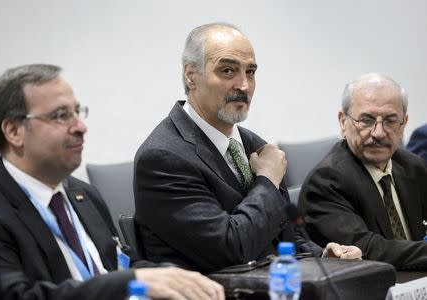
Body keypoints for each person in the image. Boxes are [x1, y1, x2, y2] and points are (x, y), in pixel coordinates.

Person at [0, 64, 224, 300]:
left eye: (77, 112)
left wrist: (177, 277)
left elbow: (118, 264)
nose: (81, 127)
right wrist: (131, 281)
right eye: (61, 115)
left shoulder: (81, 194)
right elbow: (18, 296)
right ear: (14, 131)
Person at [133, 22, 361, 273]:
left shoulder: (253, 144)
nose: (244, 85)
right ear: (191, 75)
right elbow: (231, 250)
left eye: (250, 72)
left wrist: (322, 254)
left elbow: (284, 236)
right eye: (228, 71)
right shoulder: (163, 158)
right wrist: (267, 180)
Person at [299, 73, 427, 270]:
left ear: (403, 125)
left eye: (391, 121)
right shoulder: (326, 181)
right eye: (366, 120)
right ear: (343, 122)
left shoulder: (414, 167)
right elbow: (367, 249)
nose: (378, 133)